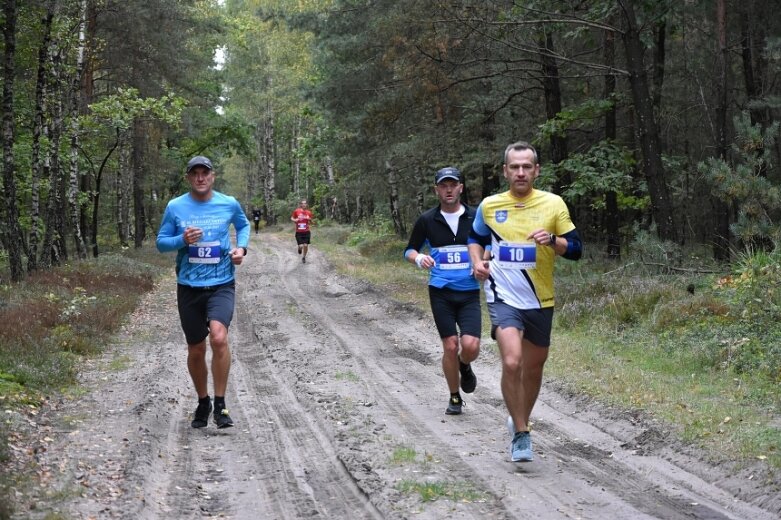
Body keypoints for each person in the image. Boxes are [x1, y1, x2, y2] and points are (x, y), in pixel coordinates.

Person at [468, 142, 582, 462]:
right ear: (505, 171)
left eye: (526, 167)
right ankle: (521, 433)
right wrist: (477, 262)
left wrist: (553, 241)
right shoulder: (490, 206)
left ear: (536, 170)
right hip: (502, 297)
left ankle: (520, 416)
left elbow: (576, 248)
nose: (520, 172)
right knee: (513, 361)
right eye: (514, 167)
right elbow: (475, 240)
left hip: (540, 299)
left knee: (533, 368)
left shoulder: (553, 204)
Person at [156, 155, 250, 429]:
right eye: (194, 173)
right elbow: (161, 243)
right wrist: (181, 240)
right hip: (189, 287)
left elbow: (243, 226)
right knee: (196, 348)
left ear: (213, 176)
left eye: (205, 173)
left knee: (219, 338)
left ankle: (220, 405)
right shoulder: (175, 207)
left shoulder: (228, 203)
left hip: (221, 283)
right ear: (188, 178)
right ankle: (203, 400)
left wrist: (241, 249)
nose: (200, 178)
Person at [404, 167, 481, 416]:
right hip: (441, 291)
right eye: (443, 185)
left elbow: (489, 244)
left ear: (461, 188)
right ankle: (454, 396)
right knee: (450, 345)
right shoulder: (427, 219)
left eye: (453, 185)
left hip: (469, 292)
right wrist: (419, 259)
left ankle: (464, 364)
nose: (448, 189)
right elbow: (410, 250)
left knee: (470, 346)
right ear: (436, 189)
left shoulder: (475, 216)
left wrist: (482, 262)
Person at [291, 199, 314, 263]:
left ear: (306, 204)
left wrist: (310, 219)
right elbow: (292, 218)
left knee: (306, 245)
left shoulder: (309, 212)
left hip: (306, 231)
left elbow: (312, 222)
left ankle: (304, 257)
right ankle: (299, 248)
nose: (304, 204)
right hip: (299, 232)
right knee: (301, 246)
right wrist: (295, 220)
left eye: (305, 203)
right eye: (302, 203)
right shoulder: (296, 211)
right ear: (300, 204)